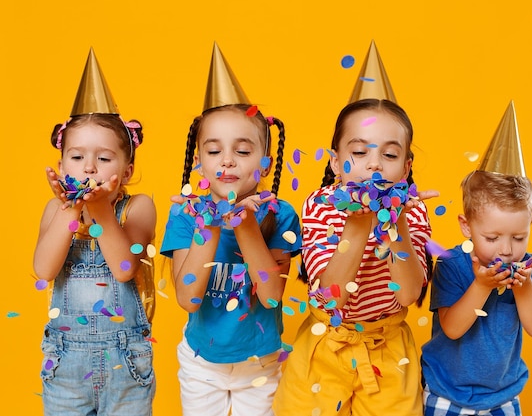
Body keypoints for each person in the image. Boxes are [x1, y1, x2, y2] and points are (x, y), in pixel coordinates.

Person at [273, 41, 436, 416]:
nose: (374, 166)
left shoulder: (411, 214)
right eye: (359, 152)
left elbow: (410, 292)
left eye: (390, 155)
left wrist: (393, 222)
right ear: (336, 161)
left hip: (390, 352)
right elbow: (330, 299)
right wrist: (358, 224)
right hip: (324, 349)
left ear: (406, 168)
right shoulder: (320, 205)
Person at [160, 43, 301, 416]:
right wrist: (208, 223)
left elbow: (271, 296)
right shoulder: (186, 216)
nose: (226, 161)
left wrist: (245, 225)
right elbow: (188, 299)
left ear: (266, 163)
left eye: (242, 151)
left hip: (261, 362)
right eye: (214, 151)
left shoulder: (282, 215)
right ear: (199, 162)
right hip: (201, 363)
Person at [33, 48, 157, 415]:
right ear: (61, 164)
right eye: (76, 158)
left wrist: (101, 210)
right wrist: (70, 207)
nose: (89, 167)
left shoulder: (138, 208)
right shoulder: (57, 209)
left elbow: (124, 268)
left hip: (126, 361)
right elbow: (43, 270)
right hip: (65, 361)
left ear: (128, 169)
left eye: (103, 159)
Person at [420, 101, 532, 416]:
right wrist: (481, 285)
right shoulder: (452, 262)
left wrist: (523, 288)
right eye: (492, 238)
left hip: (503, 397)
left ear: (529, 226)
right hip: (446, 392)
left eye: (518, 237)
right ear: (467, 226)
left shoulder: (527, 267)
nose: (506, 249)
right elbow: (451, 328)